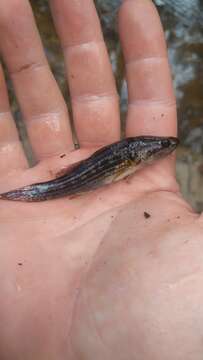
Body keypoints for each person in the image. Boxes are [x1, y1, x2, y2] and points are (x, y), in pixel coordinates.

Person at [0, 0, 202, 359]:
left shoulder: (135, 156)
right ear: (142, 156)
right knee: (47, 189)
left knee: (48, 189)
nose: (165, 149)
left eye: (165, 148)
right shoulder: (133, 155)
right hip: (75, 178)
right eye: (161, 148)